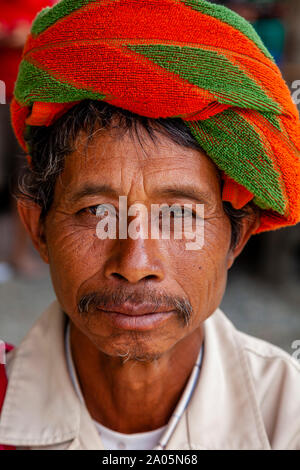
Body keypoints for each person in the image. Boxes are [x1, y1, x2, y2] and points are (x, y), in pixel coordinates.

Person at [0, 0, 299, 450]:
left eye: (180, 215)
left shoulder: (289, 415)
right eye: (97, 212)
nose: (136, 263)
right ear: (37, 227)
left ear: (237, 235)